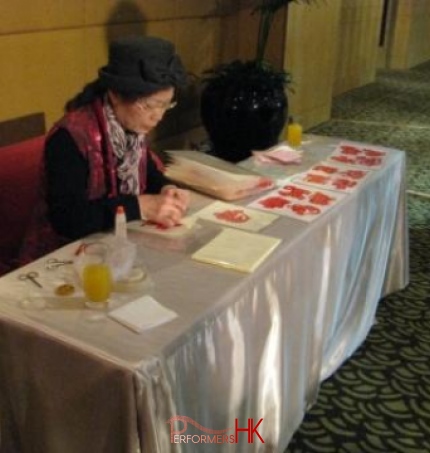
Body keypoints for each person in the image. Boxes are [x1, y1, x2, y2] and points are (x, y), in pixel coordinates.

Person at [21, 35, 190, 262]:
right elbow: (68, 219)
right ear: (115, 94)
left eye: (165, 104)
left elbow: (147, 172)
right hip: (64, 257)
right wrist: (139, 206)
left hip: (117, 246)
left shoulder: (130, 128)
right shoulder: (70, 137)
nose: (158, 116)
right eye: (149, 105)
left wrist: (166, 188)